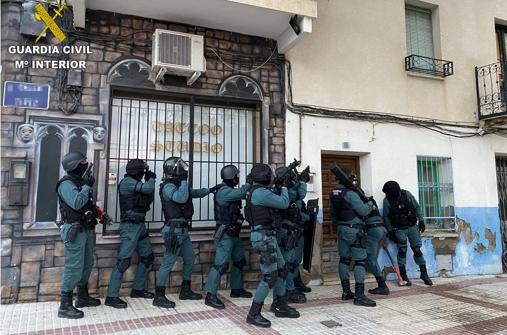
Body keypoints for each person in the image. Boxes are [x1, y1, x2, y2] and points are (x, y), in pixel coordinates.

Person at [245, 163, 300, 328]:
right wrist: (282, 186)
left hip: (268, 236)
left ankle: (279, 305)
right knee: (270, 276)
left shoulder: (258, 191)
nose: (272, 177)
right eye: (270, 175)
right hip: (263, 238)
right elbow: (283, 203)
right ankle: (253, 313)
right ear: (265, 177)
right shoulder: (260, 193)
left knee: (281, 270)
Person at [153, 157, 210, 308]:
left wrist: (209, 190)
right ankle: (158, 296)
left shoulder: (177, 184)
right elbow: (181, 197)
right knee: (168, 262)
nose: (184, 170)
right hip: (174, 230)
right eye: (181, 168)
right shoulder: (168, 186)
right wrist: (184, 180)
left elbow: (192, 193)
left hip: (182, 230)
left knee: (190, 258)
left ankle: (185, 290)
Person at [105, 159, 156, 308]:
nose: (144, 174)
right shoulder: (127, 182)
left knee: (147, 257)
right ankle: (111, 296)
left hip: (139, 225)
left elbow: (148, 197)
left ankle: (138, 289)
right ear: (137, 170)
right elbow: (147, 189)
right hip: (130, 227)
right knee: (123, 261)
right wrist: (151, 179)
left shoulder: (137, 184)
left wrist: (149, 182)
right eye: (143, 171)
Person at [56, 152, 101, 319]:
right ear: (74, 165)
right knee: (74, 266)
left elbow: (86, 205)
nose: (85, 164)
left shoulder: (79, 182)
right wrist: (87, 186)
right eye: (82, 162)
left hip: (85, 228)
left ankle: (82, 296)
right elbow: (76, 203)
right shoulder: (66, 184)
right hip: (74, 230)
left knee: (87, 263)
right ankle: (65, 305)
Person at [204, 165, 252, 309]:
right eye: (237, 175)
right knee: (221, 265)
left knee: (239, 260)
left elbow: (244, 194)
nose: (238, 177)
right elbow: (244, 191)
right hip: (225, 234)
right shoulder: (224, 191)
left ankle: (236, 289)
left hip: (233, 233)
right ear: (232, 176)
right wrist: (249, 182)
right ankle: (210, 295)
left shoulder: (229, 190)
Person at [329, 168, 376, 307]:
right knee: (360, 261)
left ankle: (346, 292)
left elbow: (333, 214)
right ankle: (360, 296)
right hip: (354, 230)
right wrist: (370, 203)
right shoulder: (350, 194)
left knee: (344, 260)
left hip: (341, 229)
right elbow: (363, 210)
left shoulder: (333, 192)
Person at [382, 181, 433, 286]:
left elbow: (417, 207)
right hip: (399, 229)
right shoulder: (387, 201)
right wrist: (390, 231)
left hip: (412, 227)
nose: (387, 195)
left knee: (417, 250)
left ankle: (424, 274)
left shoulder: (407, 195)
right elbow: (386, 217)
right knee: (402, 251)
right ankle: (403, 276)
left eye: (388, 193)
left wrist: (421, 221)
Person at [273, 167, 307, 304]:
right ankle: (287, 292)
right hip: (285, 232)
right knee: (286, 264)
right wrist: (302, 182)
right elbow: (300, 194)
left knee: (292, 262)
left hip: (291, 230)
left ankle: (291, 288)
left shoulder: (285, 190)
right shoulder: (283, 191)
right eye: (291, 176)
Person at [365, 212, 390, 295]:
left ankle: (383, 286)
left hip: (373, 231)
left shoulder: (357, 201)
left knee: (371, 260)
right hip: (382, 230)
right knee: (373, 259)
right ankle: (382, 285)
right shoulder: (372, 200)